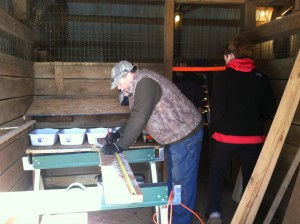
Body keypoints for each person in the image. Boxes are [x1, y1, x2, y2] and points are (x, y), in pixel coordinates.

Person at [102, 60, 204, 224]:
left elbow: (140, 117)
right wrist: (117, 135)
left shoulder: (146, 83)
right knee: (174, 183)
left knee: (181, 186)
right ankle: (172, 218)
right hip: (175, 137)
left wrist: (119, 145)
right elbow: (137, 115)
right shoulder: (139, 85)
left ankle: (180, 221)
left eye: (119, 83)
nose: (119, 87)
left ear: (128, 75)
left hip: (185, 135)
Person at [205, 37, 277, 224]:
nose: (224, 61)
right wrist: (254, 122)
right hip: (253, 138)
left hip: (226, 136)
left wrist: (214, 129)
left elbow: (218, 110)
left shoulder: (223, 77)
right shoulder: (262, 78)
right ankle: (249, 216)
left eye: (225, 57)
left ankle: (215, 214)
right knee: (251, 177)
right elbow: (269, 109)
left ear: (230, 55)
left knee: (216, 172)